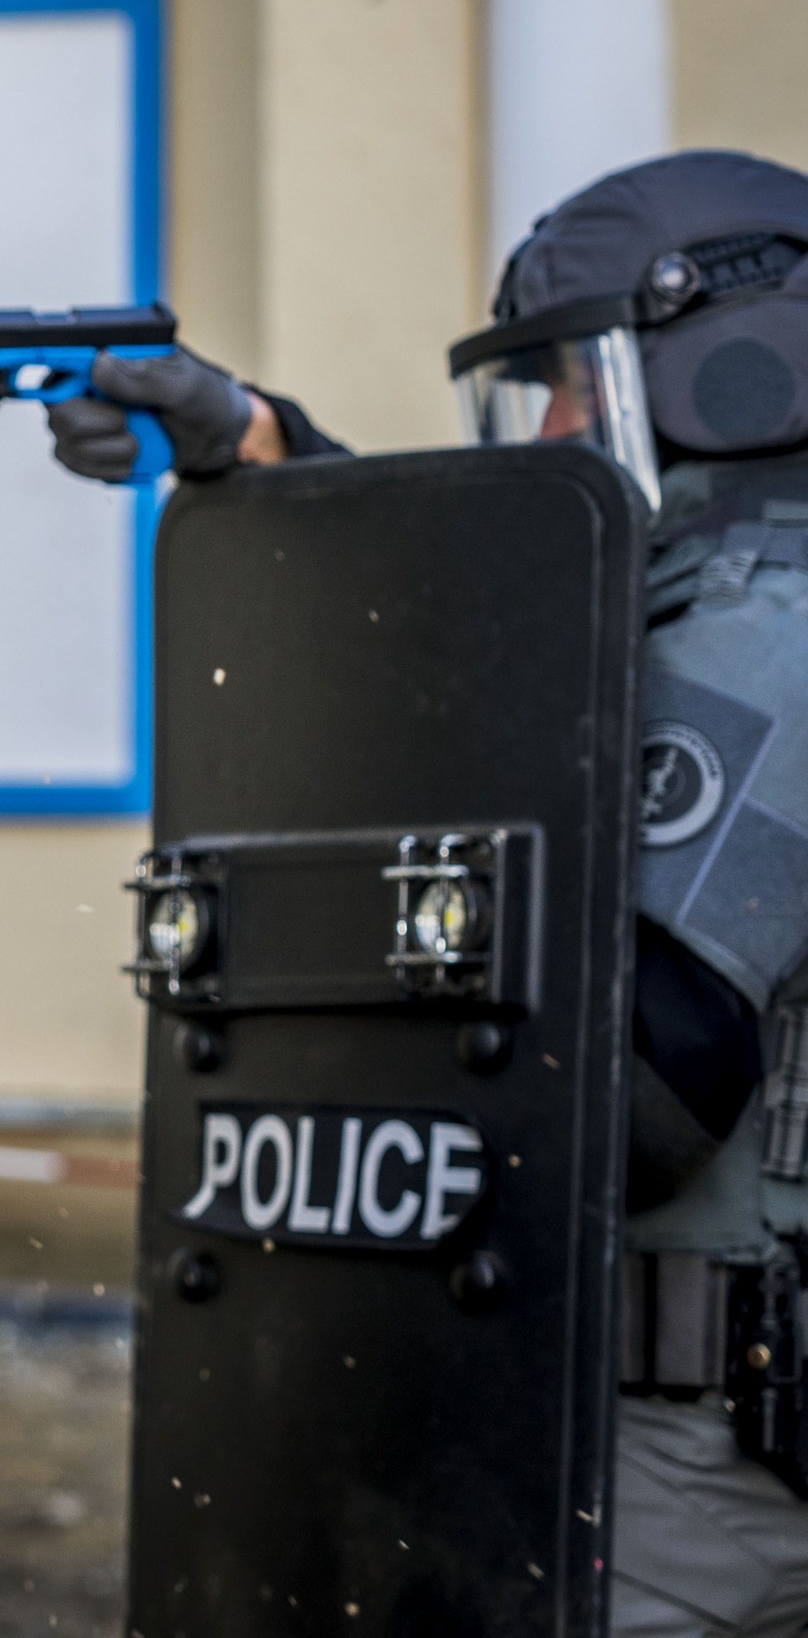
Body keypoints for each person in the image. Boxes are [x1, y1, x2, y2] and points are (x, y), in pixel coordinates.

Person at [47, 150, 808, 1638]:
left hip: (692, 1463)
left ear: (740, 369)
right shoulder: (695, 606)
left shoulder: (766, 626)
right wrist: (268, 452)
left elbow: (640, 1086)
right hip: (660, 1408)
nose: (556, 429)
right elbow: (500, 661)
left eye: (581, 382)